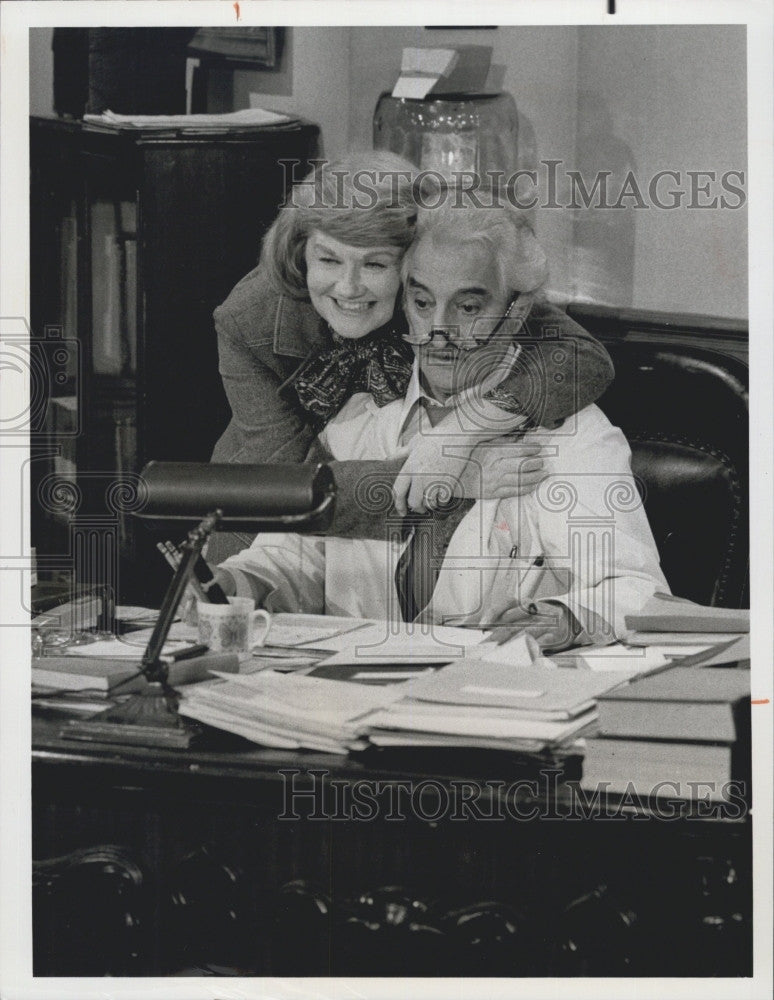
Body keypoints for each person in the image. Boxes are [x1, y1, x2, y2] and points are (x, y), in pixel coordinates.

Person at [209, 198, 667, 650]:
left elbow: (635, 587)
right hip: (357, 696)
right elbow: (293, 560)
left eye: (468, 308)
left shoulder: (573, 435)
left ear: (516, 312)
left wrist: (568, 618)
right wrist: (237, 582)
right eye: (423, 302)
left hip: (496, 698)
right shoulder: (356, 421)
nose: (438, 330)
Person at [210, 153, 614, 544]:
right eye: (329, 260)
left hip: (390, 534)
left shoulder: (432, 288)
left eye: (375, 265)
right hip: (262, 528)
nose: (348, 288)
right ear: (301, 253)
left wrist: (461, 432)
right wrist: (451, 479)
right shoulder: (246, 321)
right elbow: (284, 487)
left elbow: (582, 355)